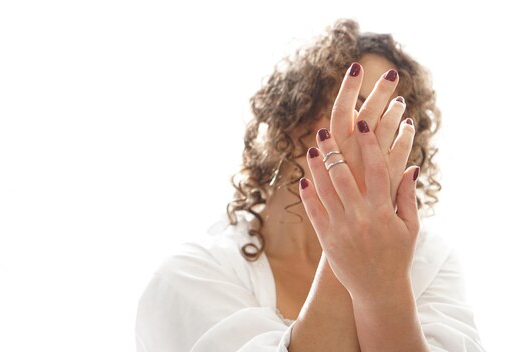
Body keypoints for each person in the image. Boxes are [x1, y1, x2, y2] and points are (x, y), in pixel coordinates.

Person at [135, 18, 486, 352]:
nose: (374, 143)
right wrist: (352, 247)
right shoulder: (189, 275)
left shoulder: (429, 260)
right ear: (293, 116)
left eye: (391, 125)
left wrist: (384, 290)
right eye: (358, 112)